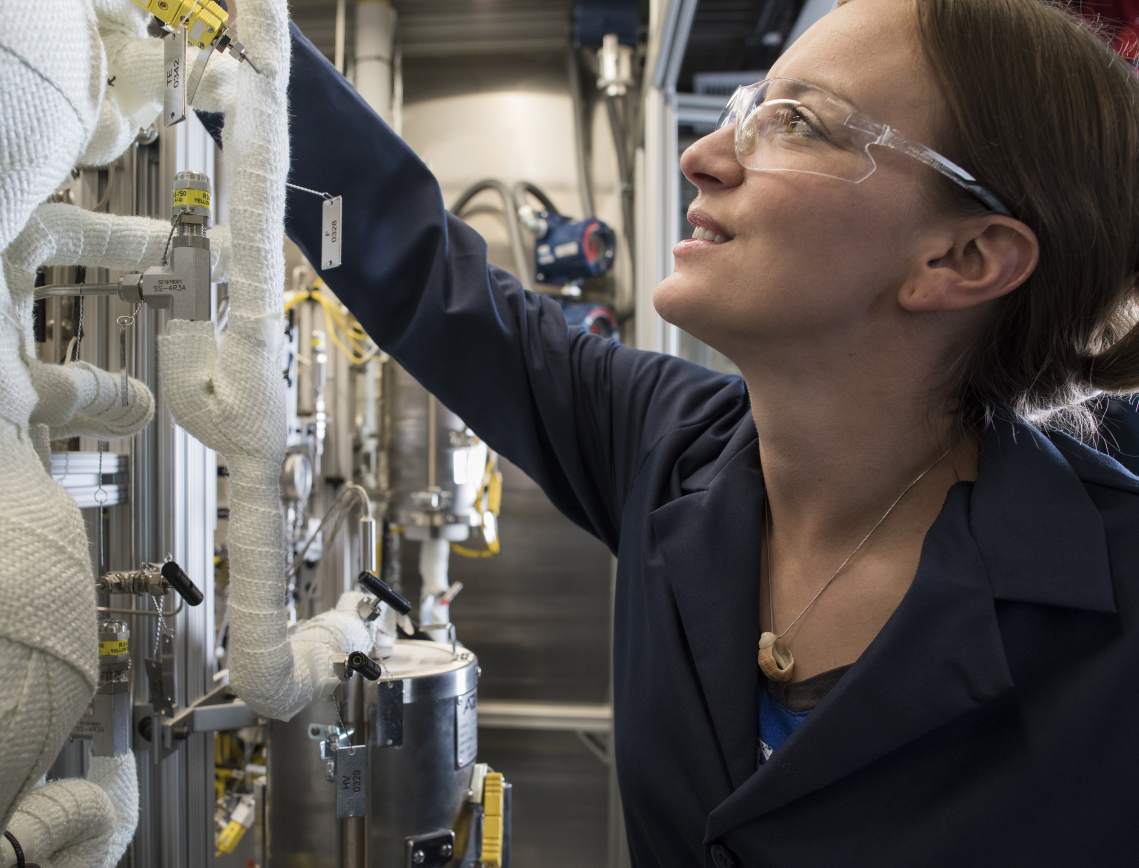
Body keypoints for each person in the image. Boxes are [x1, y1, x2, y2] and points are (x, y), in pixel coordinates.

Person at [281, 0, 1139, 863]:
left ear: (964, 258)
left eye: (796, 123)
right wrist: (235, 36)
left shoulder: (1115, 604)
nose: (704, 158)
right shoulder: (672, 444)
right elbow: (425, 273)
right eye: (745, 111)